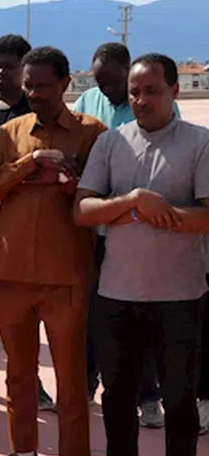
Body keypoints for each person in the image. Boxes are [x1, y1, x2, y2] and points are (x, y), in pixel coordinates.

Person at [73, 53, 209, 456]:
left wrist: (160, 212)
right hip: (116, 292)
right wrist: (130, 202)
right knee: (117, 395)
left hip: (180, 295)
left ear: (174, 91)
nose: (142, 99)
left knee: (178, 399)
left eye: (152, 90)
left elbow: (207, 217)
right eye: (135, 92)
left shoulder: (199, 144)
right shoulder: (112, 143)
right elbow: (83, 209)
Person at [0, 46, 107, 456]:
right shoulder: (10, 133)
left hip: (66, 274)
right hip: (11, 272)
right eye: (29, 85)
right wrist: (32, 165)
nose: (33, 93)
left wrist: (59, 179)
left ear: (66, 83)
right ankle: (23, 453)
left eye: (43, 85)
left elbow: (97, 189)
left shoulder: (92, 133)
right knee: (17, 373)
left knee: (71, 376)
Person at [74, 42, 181, 422]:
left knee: (146, 321)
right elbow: (83, 167)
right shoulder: (87, 103)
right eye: (100, 83)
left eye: (114, 83)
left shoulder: (163, 113)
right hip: (101, 234)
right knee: (95, 318)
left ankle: (148, 397)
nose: (108, 90)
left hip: (145, 237)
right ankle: (86, 387)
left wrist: (128, 206)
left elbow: (164, 174)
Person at [0, 34, 54, 409]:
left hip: (23, 230)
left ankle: (29, 382)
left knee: (22, 315)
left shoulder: (35, 115)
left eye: (8, 65)